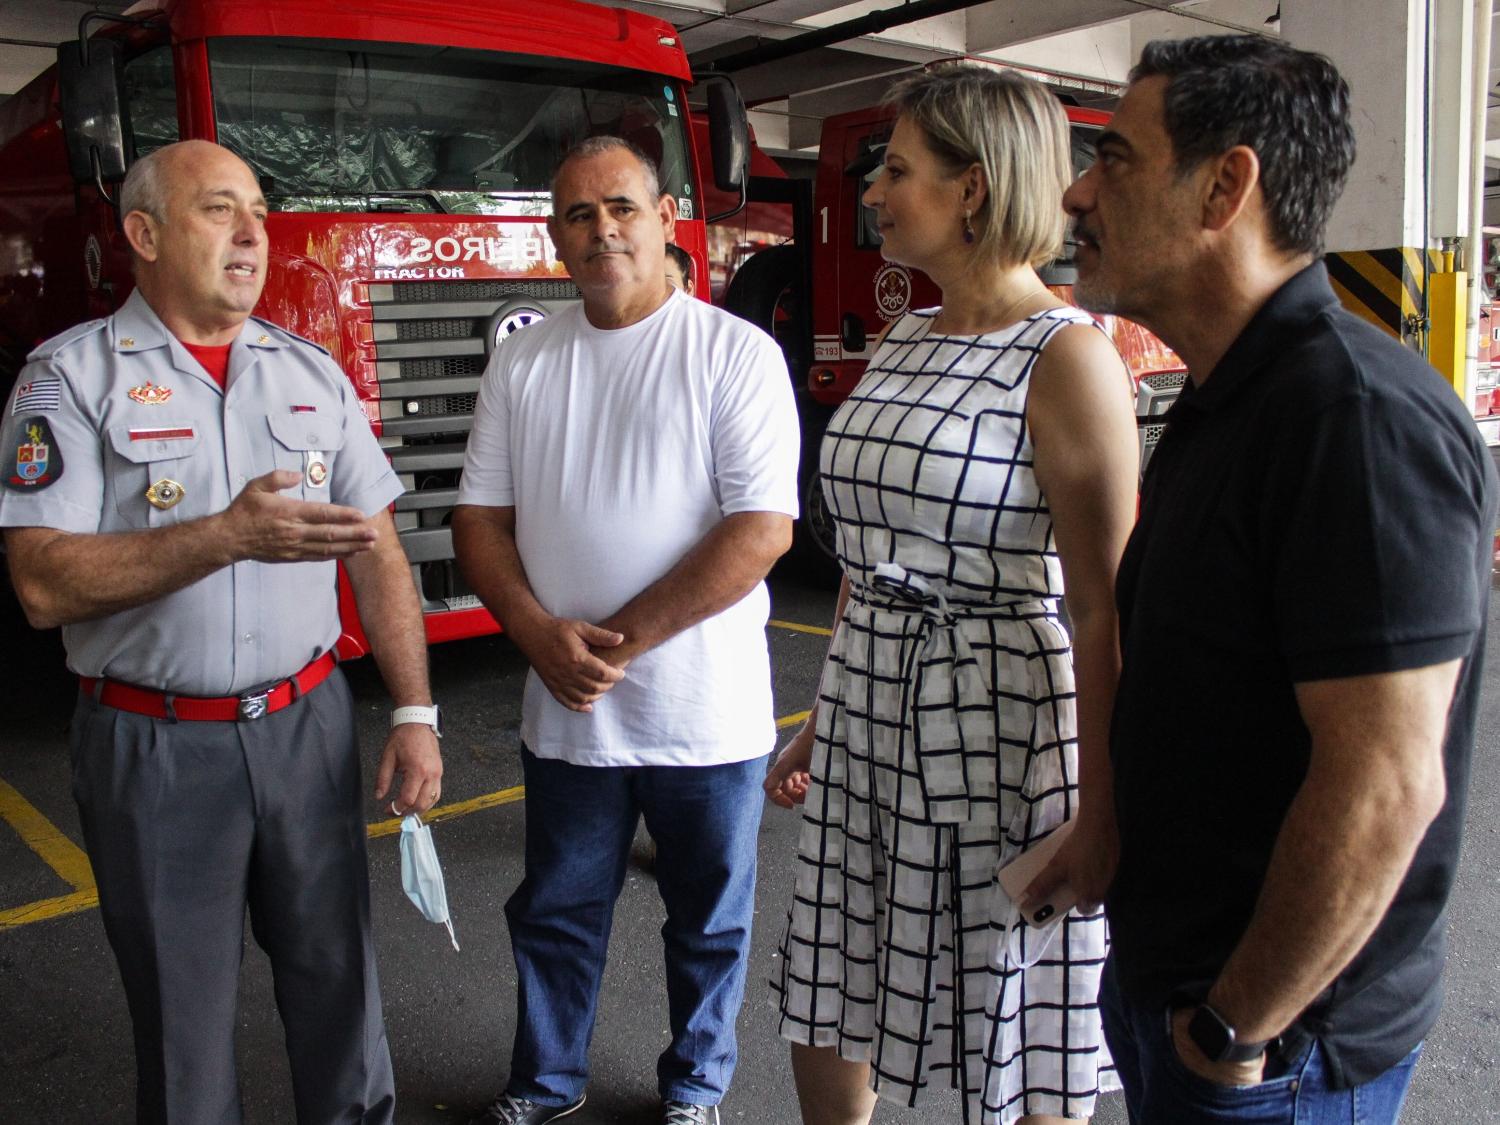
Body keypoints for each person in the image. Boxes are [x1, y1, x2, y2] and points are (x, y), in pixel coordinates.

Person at [1056, 35, 1500, 1124]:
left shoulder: (1354, 420)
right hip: (1183, 991)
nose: (1077, 192)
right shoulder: (1229, 398)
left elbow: (1385, 787)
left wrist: (1231, 1030)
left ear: (1226, 187)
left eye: (1113, 158)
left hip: (1274, 1047)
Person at [0, 140, 443, 1123]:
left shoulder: (309, 372)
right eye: (219, 209)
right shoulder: (68, 380)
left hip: (306, 727)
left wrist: (416, 712)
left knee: (341, 985)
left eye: (259, 212)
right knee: (183, 1023)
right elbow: (40, 583)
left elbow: (378, 553)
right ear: (145, 233)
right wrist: (225, 536)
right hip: (152, 744)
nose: (252, 235)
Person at [763, 65, 1139, 1125]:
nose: (874, 193)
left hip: (999, 725)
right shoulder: (905, 337)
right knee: (833, 976)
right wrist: (823, 718)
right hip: (868, 709)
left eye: (897, 169)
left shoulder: (1068, 357)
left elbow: (1104, 608)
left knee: (1009, 1008)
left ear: (973, 186)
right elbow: (872, 554)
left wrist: (1102, 813)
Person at [451, 136, 799, 1125]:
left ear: (665, 218)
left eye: (621, 208)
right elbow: (477, 521)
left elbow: (762, 530)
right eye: (578, 214)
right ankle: (545, 1080)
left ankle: (695, 1086)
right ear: (555, 239)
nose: (601, 230)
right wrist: (535, 634)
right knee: (556, 911)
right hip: (569, 714)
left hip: (706, 716)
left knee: (709, 921)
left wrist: (613, 645)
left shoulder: (733, 353)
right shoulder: (524, 360)